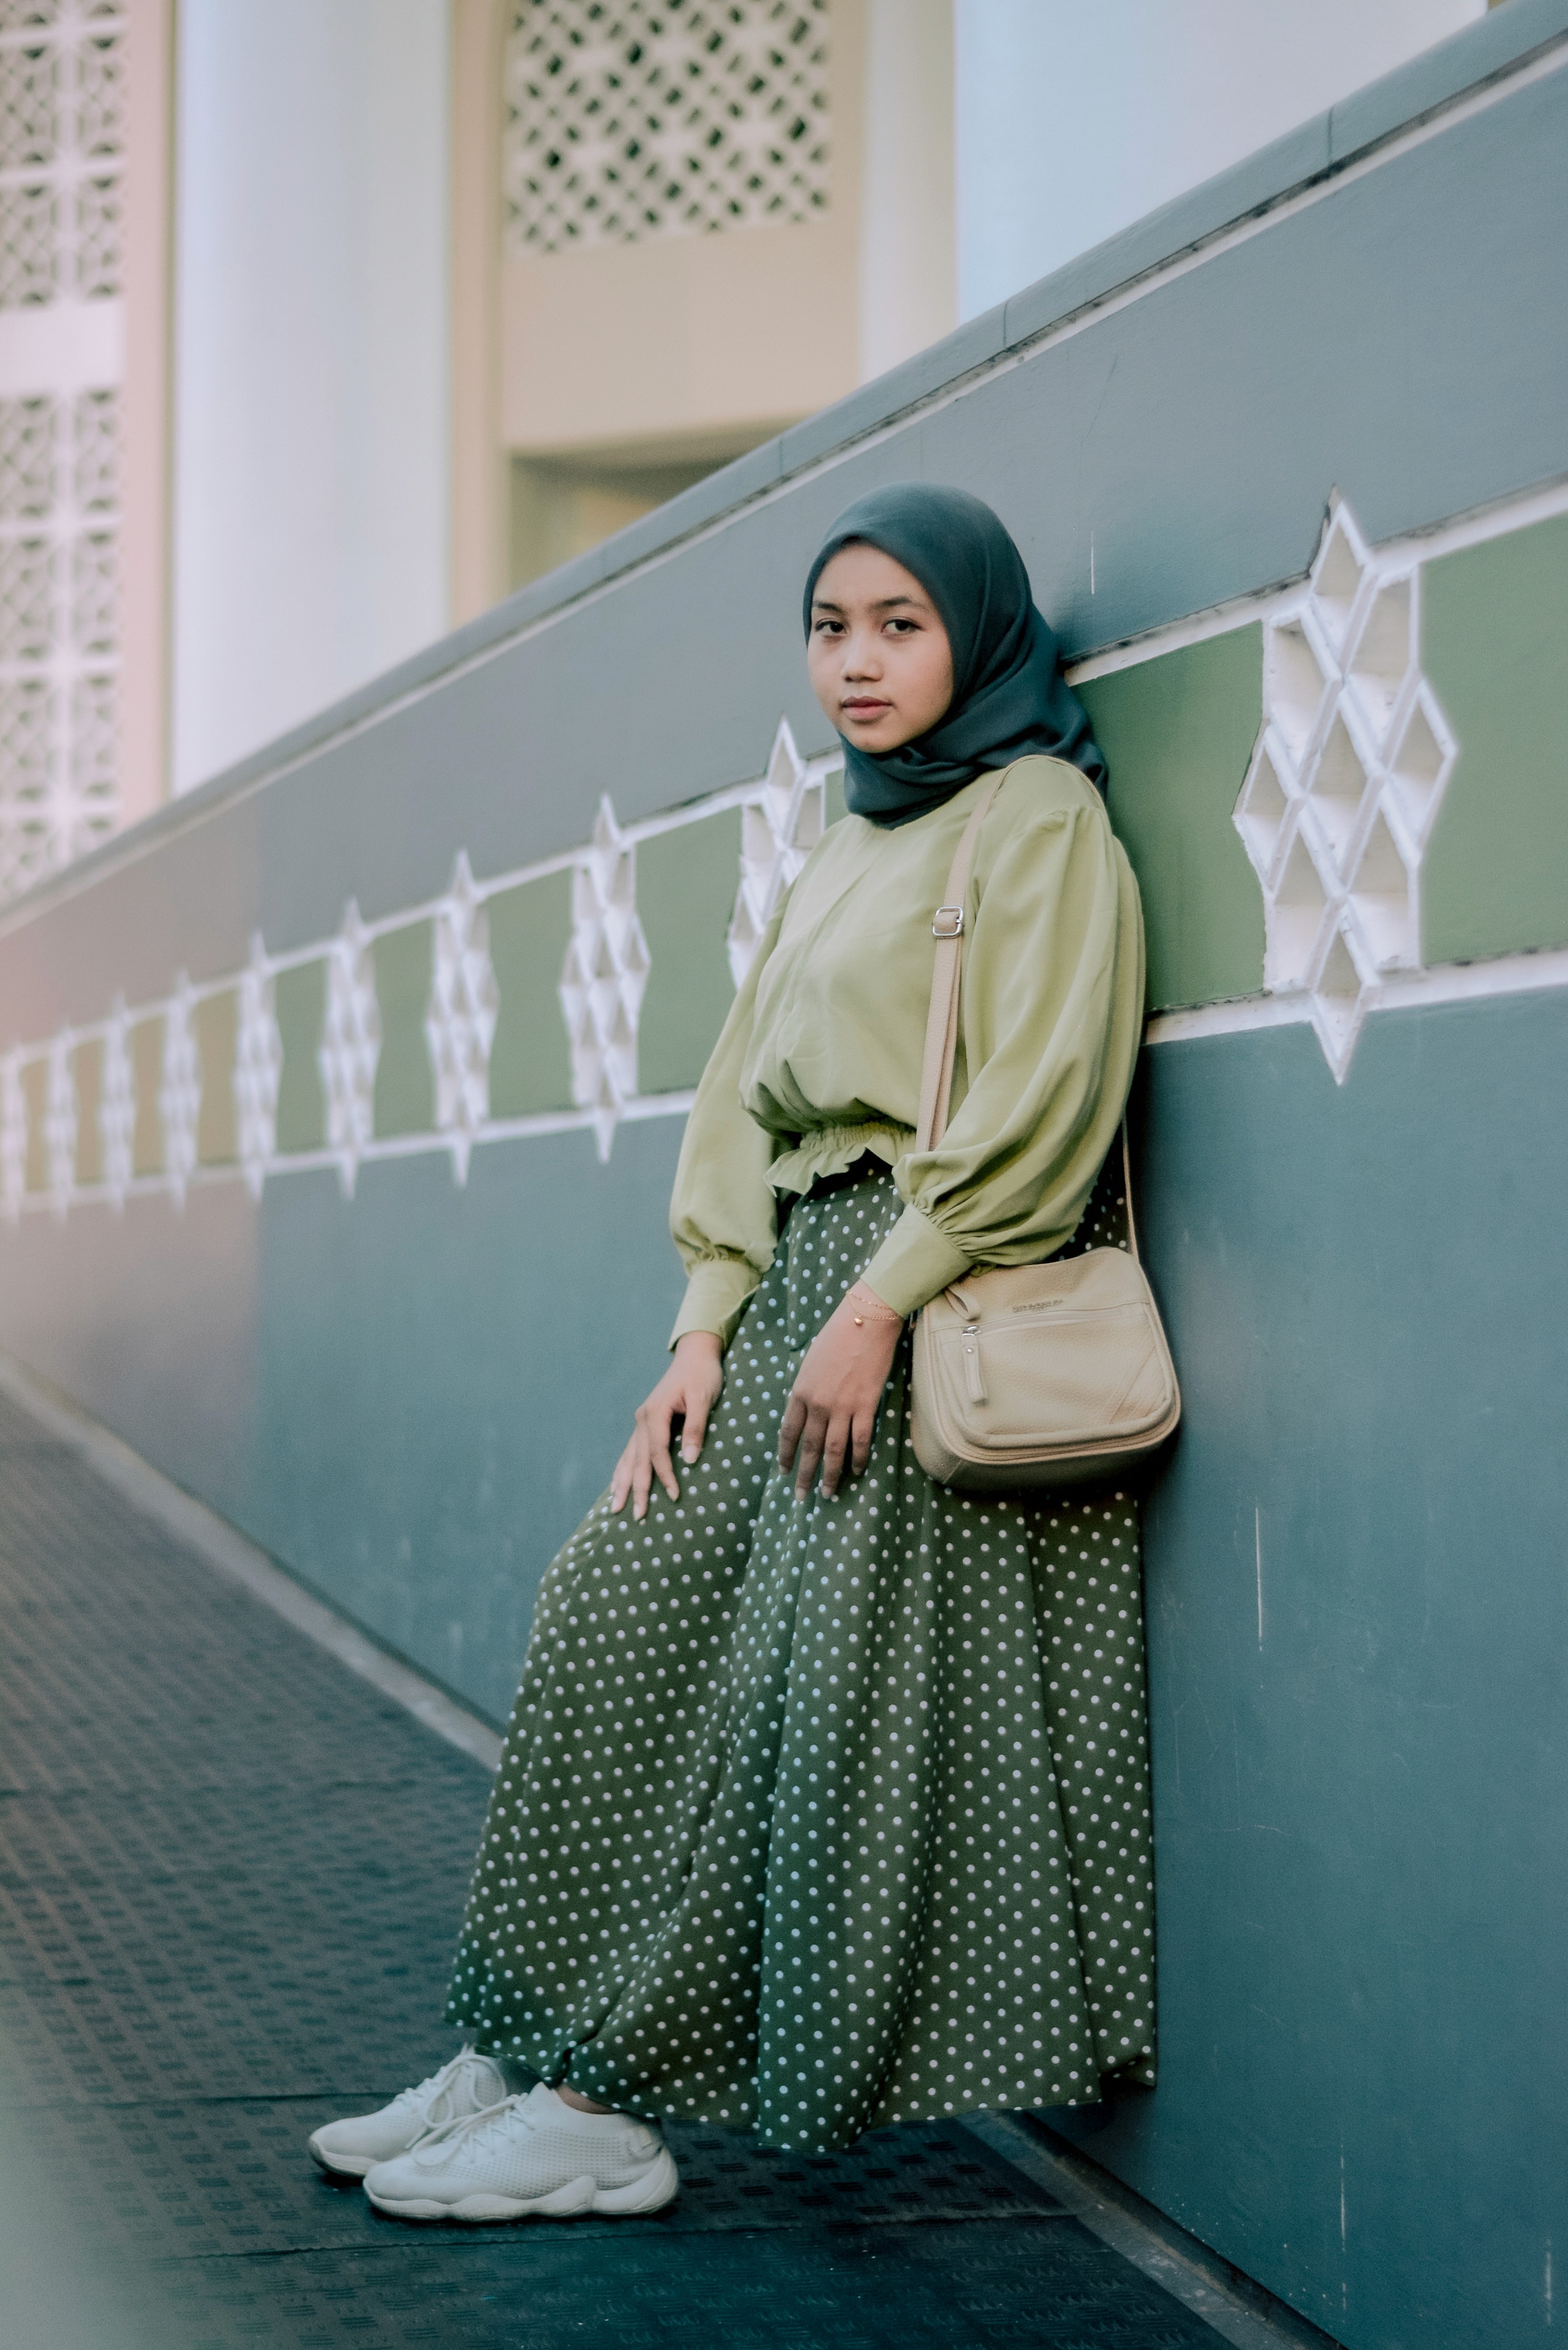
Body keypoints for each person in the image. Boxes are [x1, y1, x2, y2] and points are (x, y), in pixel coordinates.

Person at [308, 483, 1156, 2224]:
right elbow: (738, 1097)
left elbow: (1047, 1097)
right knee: (610, 1601)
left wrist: (874, 1307)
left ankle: (609, 2093)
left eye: (900, 625)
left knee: (778, 1689)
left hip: (923, 1291)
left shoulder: (1038, 817)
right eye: (831, 627)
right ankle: (522, 2030)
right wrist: (703, 1326)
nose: (857, 663)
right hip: (791, 1293)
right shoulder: (850, 835)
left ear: (977, 632)